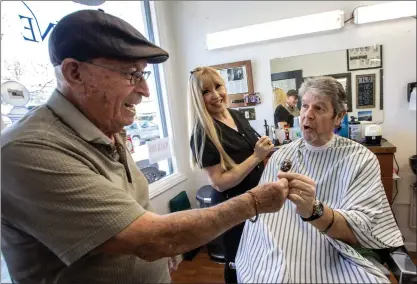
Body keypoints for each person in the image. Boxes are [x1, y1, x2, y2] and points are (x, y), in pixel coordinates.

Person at [0, 10, 290, 284]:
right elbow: (150, 238)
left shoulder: (106, 129)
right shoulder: (28, 151)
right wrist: (253, 202)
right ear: (75, 73)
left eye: (143, 74)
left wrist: (168, 249)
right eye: (131, 74)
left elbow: (137, 210)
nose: (145, 91)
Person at [236, 77, 404, 283]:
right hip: (280, 243)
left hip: (335, 250)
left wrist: (313, 210)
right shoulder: (282, 155)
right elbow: (264, 220)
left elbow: (357, 231)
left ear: (338, 117)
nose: (308, 114)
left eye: (319, 108)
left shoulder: (360, 159)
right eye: (305, 106)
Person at [188, 66, 274, 283]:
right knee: (239, 262)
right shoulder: (202, 133)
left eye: (218, 87)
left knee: (260, 258)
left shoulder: (236, 115)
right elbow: (219, 183)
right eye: (206, 91)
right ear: (198, 98)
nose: (216, 95)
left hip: (257, 201)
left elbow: (249, 151)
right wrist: (256, 156)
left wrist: (262, 148)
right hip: (234, 208)